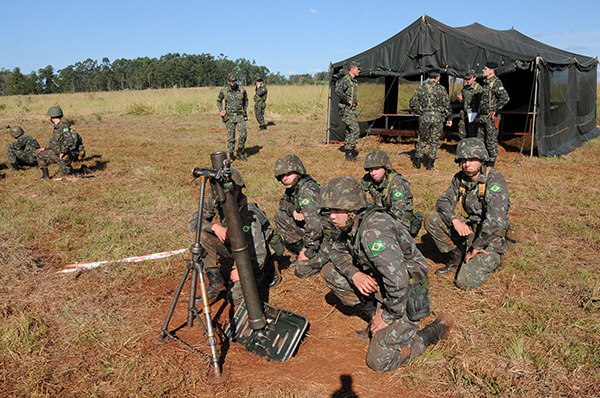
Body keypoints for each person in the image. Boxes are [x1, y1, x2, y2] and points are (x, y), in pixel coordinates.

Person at [319, 176, 454, 373]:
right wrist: (355, 274)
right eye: (330, 210)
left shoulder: (374, 231)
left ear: (352, 210)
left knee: (379, 361)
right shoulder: (350, 223)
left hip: (410, 291)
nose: (332, 216)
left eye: (337, 210)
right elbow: (337, 252)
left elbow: (399, 282)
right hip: (386, 283)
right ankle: (375, 313)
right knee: (331, 272)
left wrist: (387, 315)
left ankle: (433, 332)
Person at [424, 137, 510, 290]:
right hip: (470, 232)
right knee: (432, 218)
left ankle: (495, 258)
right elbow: (443, 202)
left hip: (489, 238)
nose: (467, 164)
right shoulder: (460, 178)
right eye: (463, 160)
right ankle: (456, 257)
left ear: (482, 159)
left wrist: (477, 246)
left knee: (464, 282)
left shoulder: (494, 181)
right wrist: (455, 220)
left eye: (472, 159)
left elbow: (496, 221)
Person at [188, 168, 280, 306]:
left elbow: (259, 252)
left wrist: (242, 271)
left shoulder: (249, 210)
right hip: (237, 245)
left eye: (232, 191)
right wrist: (214, 227)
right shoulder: (215, 199)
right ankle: (216, 283)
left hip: (255, 252)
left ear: (239, 189)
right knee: (201, 236)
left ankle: (267, 271)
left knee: (236, 298)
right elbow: (193, 223)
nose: (227, 196)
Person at [274, 154, 334, 278]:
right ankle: (303, 248)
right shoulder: (294, 187)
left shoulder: (307, 191)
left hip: (327, 235)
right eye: (282, 176)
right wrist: (292, 210)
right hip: (314, 230)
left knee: (301, 270)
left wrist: (309, 251)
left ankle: (327, 256)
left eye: (288, 174)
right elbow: (283, 202)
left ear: (298, 172)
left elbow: (315, 228)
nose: (284, 178)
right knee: (280, 216)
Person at [360, 150, 423, 237]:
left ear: (386, 167)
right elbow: (354, 189)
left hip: (400, 221)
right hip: (383, 214)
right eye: (370, 169)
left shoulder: (396, 184)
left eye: (377, 169)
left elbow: (398, 214)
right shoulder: (370, 178)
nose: (373, 173)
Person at [409, 69, 453, 170]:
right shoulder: (441, 89)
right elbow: (447, 105)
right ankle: (430, 165)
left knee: (422, 139)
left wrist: (419, 111)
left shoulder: (421, 89)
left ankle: (418, 163)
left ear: (429, 77)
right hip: (437, 118)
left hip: (425, 117)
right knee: (434, 141)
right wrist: (449, 118)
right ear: (437, 77)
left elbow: (412, 103)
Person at [477, 62, 510, 167]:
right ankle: (483, 158)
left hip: (491, 118)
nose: (483, 70)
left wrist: (495, 109)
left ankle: (491, 161)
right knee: (481, 139)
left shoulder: (496, 83)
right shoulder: (486, 83)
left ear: (491, 71)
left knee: (491, 140)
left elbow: (505, 98)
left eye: (485, 68)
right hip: (483, 116)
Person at [35, 106, 78, 180]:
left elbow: (69, 140)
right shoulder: (56, 127)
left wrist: (62, 152)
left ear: (52, 117)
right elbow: (55, 142)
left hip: (62, 154)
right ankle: (45, 176)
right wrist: (45, 148)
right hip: (56, 152)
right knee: (40, 154)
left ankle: (81, 170)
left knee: (66, 176)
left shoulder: (63, 126)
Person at [217, 73, 249, 162]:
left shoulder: (242, 90)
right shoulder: (224, 91)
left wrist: (245, 110)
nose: (234, 83)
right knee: (231, 137)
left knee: (243, 134)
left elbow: (246, 101)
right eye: (231, 82)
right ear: (228, 81)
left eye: (235, 81)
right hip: (229, 117)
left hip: (240, 116)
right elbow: (219, 101)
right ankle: (231, 154)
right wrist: (221, 110)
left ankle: (239, 151)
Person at [335, 61, 361, 162]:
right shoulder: (346, 79)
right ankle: (349, 151)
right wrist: (347, 100)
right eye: (358, 69)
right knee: (355, 129)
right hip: (346, 109)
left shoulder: (353, 81)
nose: (359, 71)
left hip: (352, 109)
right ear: (352, 69)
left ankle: (349, 150)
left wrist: (355, 101)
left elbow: (351, 93)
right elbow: (338, 90)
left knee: (350, 130)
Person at [456, 69, 482, 139]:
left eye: (469, 79)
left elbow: (481, 104)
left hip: (473, 115)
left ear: (474, 78)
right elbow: (461, 99)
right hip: (465, 114)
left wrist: (478, 117)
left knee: (472, 134)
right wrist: (459, 99)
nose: (468, 80)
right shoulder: (465, 88)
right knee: (462, 133)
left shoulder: (479, 89)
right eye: (466, 79)